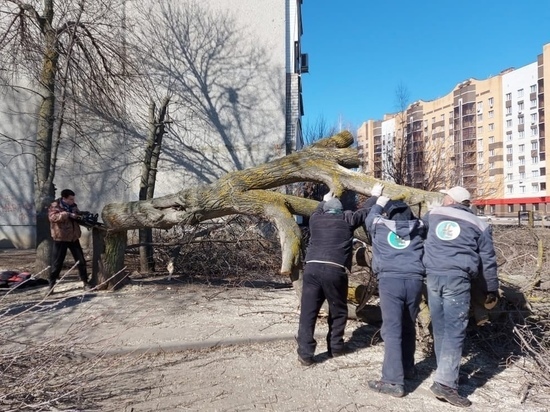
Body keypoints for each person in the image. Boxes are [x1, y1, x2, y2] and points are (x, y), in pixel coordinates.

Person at [422, 186, 498, 407]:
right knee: (455, 330)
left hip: (433, 277)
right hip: (457, 279)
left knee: (441, 327)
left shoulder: (434, 214)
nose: (443, 198)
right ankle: (445, 383)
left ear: (451, 200)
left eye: (445, 196)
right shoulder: (480, 224)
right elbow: (487, 260)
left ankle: (444, 373)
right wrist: (491, 288)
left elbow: (419, 229)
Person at [295, 184, 381, 366]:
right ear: (341, 211)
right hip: (334, 270)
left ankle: (305, 353)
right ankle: (335, 347)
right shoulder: (347, 219)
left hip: (311, 268)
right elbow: (365, 210)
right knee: (338, 310)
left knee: (308, 312)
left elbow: (318, 209)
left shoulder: (315, 220)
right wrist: (374, 196)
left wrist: (324, 200)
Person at [364, 191, 426, 398]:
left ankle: (392, 380)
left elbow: (370, 217)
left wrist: (379, 201)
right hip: (415, 280)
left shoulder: (380, 227)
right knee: (408, 324)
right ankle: (408, 368)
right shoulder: (419, 229)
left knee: (391, 329)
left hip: (391, 281)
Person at [47, 189, 93, 294]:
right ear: (64, 198)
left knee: (81, 261)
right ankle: (51, 286)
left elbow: (76, 215)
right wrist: (67, 214)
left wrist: (82, 215)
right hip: (60, 238)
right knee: (57, 263)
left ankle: (85, 283)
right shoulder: (55, 206)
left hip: (73, 238)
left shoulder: (73, 206)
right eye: (71, 199)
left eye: (73, 199)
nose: (73, 201)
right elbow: (53, 218)